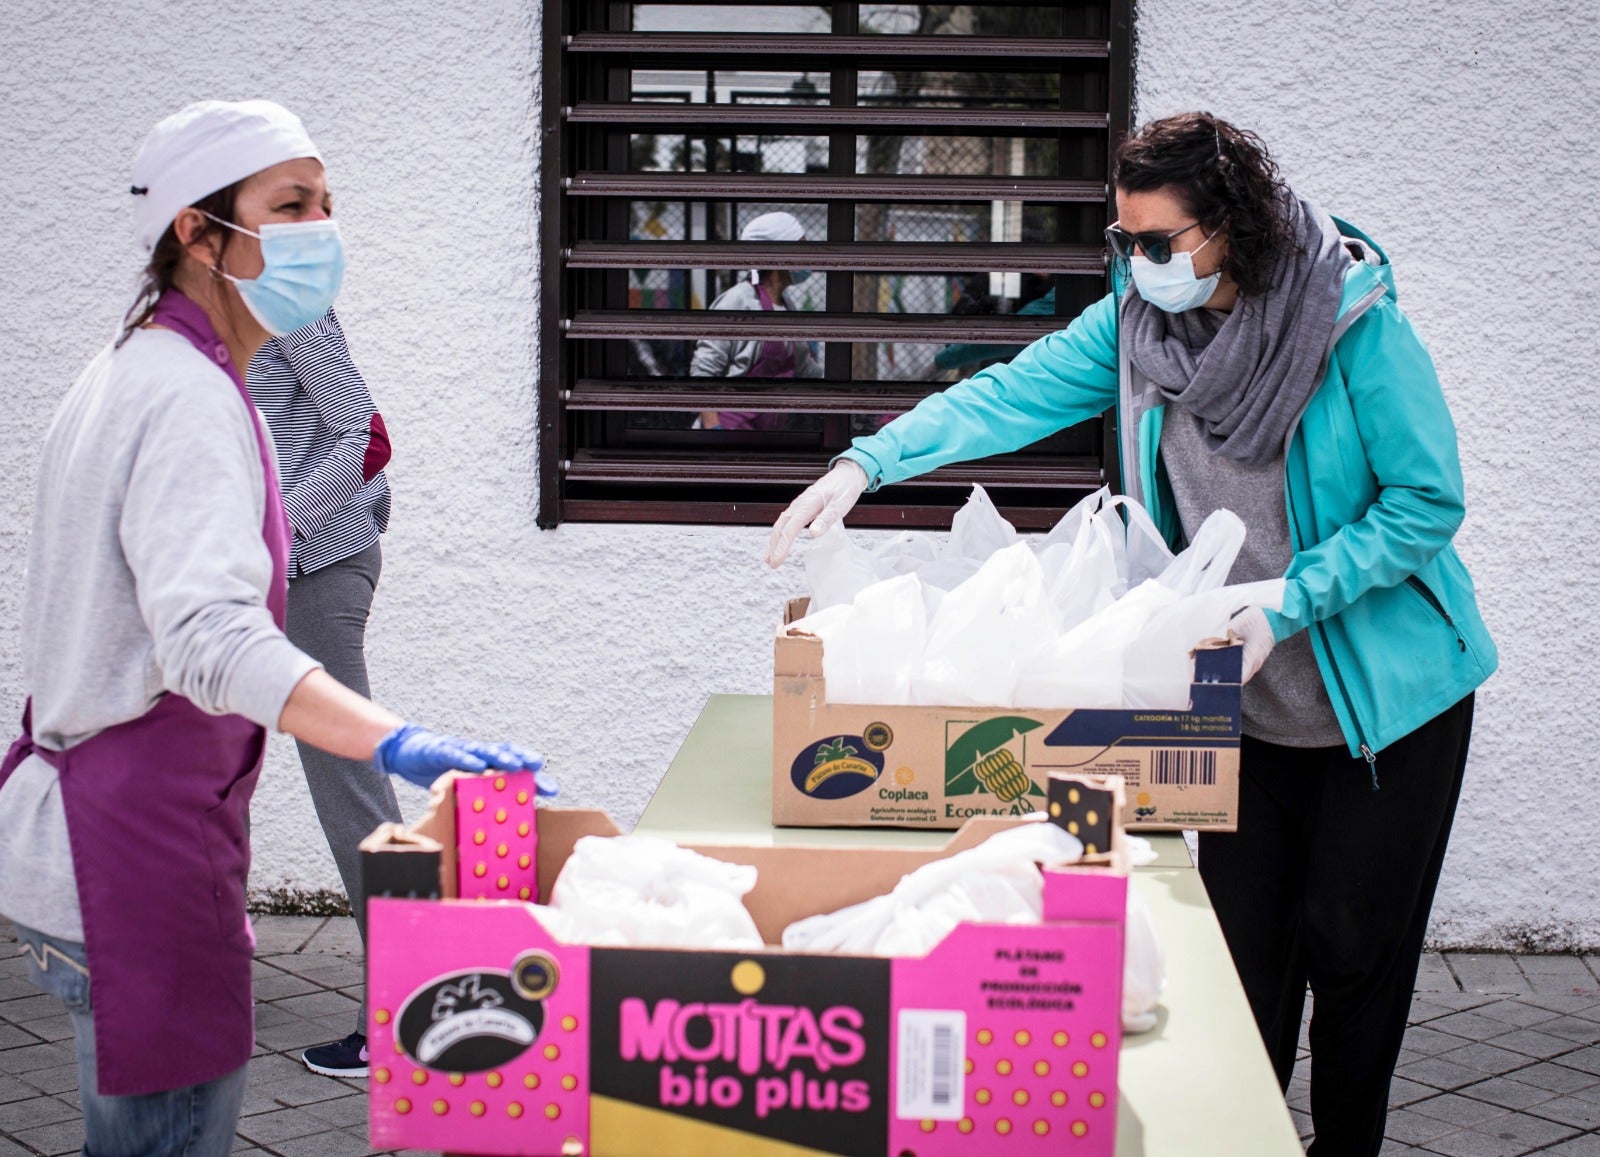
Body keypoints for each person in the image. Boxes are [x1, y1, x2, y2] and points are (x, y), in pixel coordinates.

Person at [766, 111, 1497, 1157]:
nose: (1140, 263)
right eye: (1125, 242)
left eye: (1160, 243)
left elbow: (1425, 501)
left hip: (1382, 702)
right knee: (1242, 961)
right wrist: (864, 465)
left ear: (1230, 229)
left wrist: (1289, 599)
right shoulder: (1141, 329)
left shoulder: (1351, 325)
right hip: (1238, 701)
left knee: (1351, 954)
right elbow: (1008, 394)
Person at [0, 100, 550, 1156]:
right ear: (197, 234)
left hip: (84, 839)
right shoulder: (186, 396)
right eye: (289, 205)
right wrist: (394, 739)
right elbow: (208, 634)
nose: (320, 229)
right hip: (130, 867)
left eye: (327, 203)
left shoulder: (130, 369)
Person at [247, 311, 399, 1077]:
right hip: (242, 575)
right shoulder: (204, 310)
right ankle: (199, 982)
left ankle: (405, 1017)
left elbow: (366, 438)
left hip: (315, 569)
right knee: (205, 770)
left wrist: (279, 527)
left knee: (349, 784)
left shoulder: (284, 298)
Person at [693, 210, 821, 431]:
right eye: (803, 246)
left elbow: (804, 366)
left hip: (766, 435)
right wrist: (714, 430)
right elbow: (704, 372)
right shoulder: (739, 300)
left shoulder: (787, 305)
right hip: (730, 431)